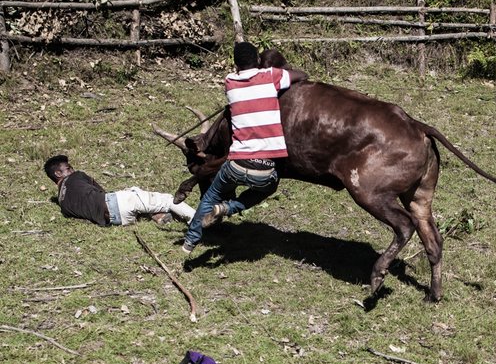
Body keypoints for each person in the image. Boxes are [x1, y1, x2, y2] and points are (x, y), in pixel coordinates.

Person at [181, 42, 308, 254]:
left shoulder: (230, 82)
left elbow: (241, 74)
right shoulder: (271, 77)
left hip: (235, 165)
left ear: (235, 65)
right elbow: (302, 75)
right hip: (265, 170)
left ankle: (190, 241)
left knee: (210, 197)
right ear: (258, 62)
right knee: (268, 189)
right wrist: (273, 71)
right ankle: (229, 208)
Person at [43, 155, 195, 227]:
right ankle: (198, 219)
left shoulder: (64, 205)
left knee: (134, 192)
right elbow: (102, 192)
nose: (72, 170)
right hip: (116, 203)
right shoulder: (76, 176)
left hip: (117, 220)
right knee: (168, 199)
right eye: (68, 168)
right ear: (58, 174)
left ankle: (157, 215)